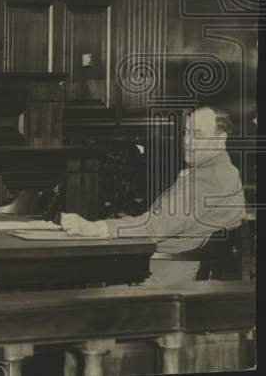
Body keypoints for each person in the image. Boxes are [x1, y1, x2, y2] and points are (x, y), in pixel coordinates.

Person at [60, 106, 246, 285]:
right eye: (186, 132)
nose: (187, 141)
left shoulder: (208, 179)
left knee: (81, 291)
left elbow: (154, 228)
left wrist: (93, 227)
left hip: (163, 278)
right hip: (168, 270)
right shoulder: (224, 172)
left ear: (220, 140)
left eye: (198, 134)